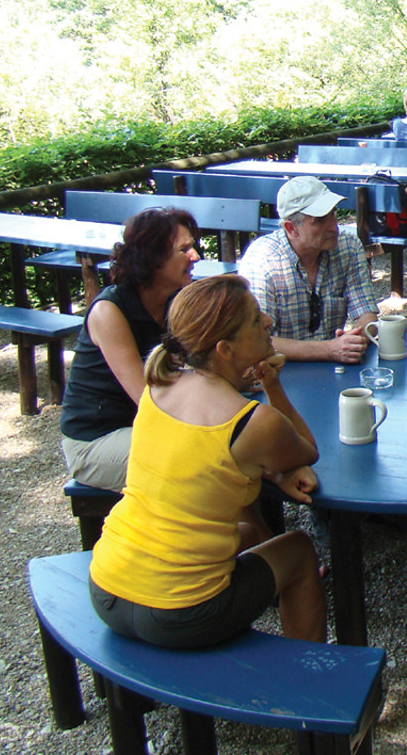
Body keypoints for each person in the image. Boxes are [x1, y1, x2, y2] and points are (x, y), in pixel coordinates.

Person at [88, 275, 329, 646]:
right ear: (225, 350)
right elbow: (306, 450)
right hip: (181, 614)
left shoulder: (159, 386)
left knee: (246, 535)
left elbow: (205, 463)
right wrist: (272, 385)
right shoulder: (253, 421)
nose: (267, 322)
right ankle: (309, 678)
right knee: (297, 548)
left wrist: (269, 471)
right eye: (254, 319)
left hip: (107, 587)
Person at [59, 207, 202, 492]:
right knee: (202, 459)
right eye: (184, 249)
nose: (195, 256)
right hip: (98, 440)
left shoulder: (177, 298)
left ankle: (260, 534)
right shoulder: (109, 312)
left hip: (146, 426)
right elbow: (147, 399)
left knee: (235, 445)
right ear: (152, 258)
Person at [238, 177, 379, 363]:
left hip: (332, 369)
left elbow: (367, 314)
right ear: (291, 228)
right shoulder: (263, 260)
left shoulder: (348, 246)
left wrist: (354, 338)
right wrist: (328, 349)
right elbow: (253, 340)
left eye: (333, 214)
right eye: (320, 220)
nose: (333, 227)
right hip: (279, 372)